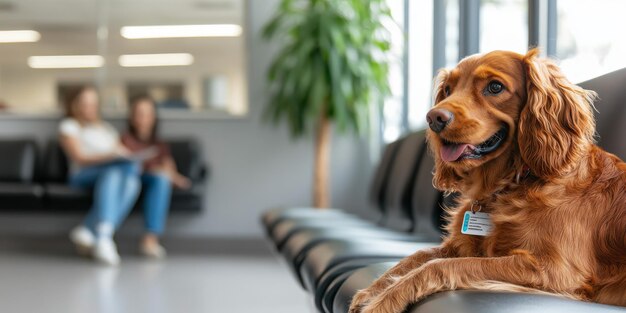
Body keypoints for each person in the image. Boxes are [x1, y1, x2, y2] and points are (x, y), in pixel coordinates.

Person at [59, 86, 141, 266]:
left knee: (131, 180)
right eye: (85, 103)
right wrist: (108, 157)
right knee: (113, 172)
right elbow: (78, 157)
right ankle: (100, 233)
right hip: (82, 174)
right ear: (76, 105)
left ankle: (96, 231)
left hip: (111, 173)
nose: (90, 107)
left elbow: (120, 151)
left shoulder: (106, 129)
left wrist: (125, 155)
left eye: (93, 103)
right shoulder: (69, 126)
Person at [122, 95, 191, 258]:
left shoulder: (159, 144)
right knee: (160, 176)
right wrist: (158, 170)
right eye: (140, 114)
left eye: (148, 114)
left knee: (161, 179)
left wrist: (173, 176)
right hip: (131, 180)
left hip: (155, 180)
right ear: (132, 117)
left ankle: (150, 240)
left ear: (154, 118)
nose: (144, 119)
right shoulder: (125, 140)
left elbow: (168, 167)